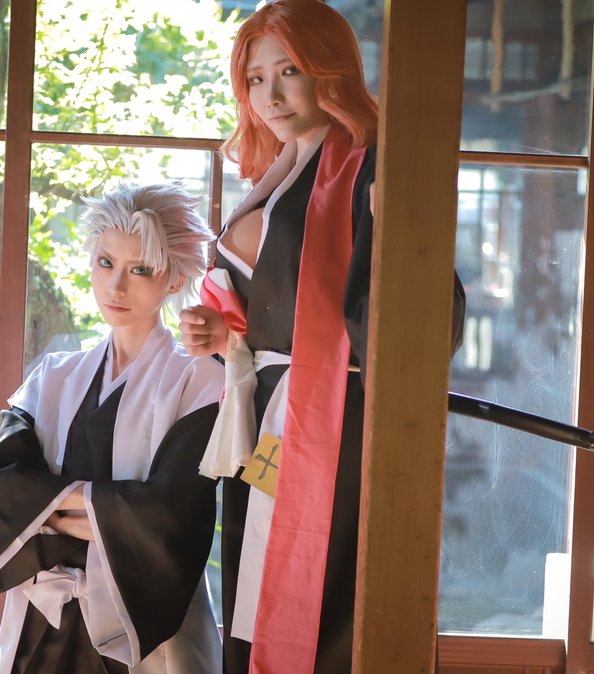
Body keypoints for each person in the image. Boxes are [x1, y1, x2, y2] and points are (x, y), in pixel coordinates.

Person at [179, 2, 465, 673]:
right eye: (255, 79)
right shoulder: (285, 166)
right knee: (256, 583)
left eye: (289, 71)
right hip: (268, 414)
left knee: (323, 599)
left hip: (332, 414)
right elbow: (273, 305)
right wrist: (226, 332)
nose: (270, 95)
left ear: (329, 71)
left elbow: (417, 310)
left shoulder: (369, 168)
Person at [0, 182, 225, 674]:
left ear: (174, 281)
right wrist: (110, 510)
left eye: (140, 269)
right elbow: (2, 490)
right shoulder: (52, 376)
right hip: (42, 622)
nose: (116, 287)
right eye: (106, 263)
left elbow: (173, 513)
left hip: (142, 629)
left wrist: (48, 511)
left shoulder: (200, 381)